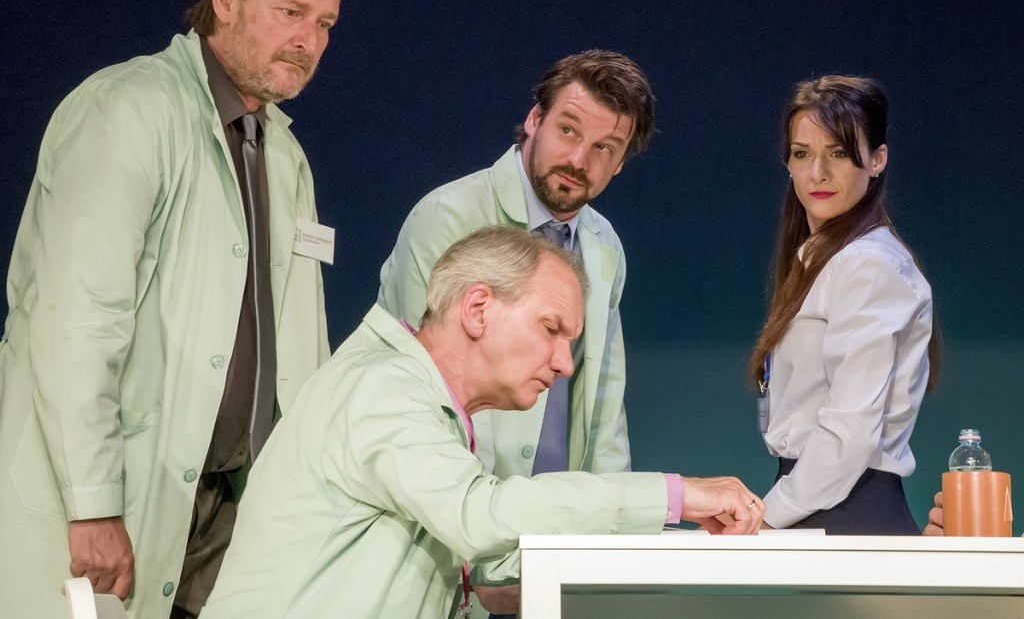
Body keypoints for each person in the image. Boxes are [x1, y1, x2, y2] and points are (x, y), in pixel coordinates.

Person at [0, 0, 347, 616]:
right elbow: (76, 321)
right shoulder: (130, 109)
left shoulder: (284, 154)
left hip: (224, 513)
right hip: (115, 503)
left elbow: (302, 347)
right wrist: (93, 503)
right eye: (291, 12)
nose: (309, 40)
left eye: (325, 24)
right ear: (226, 0)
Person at [202, 226, 765, 618]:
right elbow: (480, 516)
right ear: (477, 309)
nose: (565, 363)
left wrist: (663, 545)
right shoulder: (382, 387)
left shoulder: (419, 400)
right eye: (551, 329)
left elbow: (487, 549)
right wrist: (676, 495)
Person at [378, 51, 651, 613]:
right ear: (534, 119)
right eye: (567, 130)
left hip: (552, 549)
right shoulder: (450, 217)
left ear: (621, 162)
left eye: (605, 147)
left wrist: (609, 546)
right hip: (458, 545)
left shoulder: (604, 245)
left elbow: (602, 406)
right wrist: (483, 565)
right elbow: (428, 402)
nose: (578, 159)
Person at [748, 75, 939, 534]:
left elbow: (849, 433)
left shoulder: (868, 265)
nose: (817, 173)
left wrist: (765, 519)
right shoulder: (821, 261)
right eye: (802, 154)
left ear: (877, 159)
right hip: (816, 507)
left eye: (838, 153)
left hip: (848, 515)